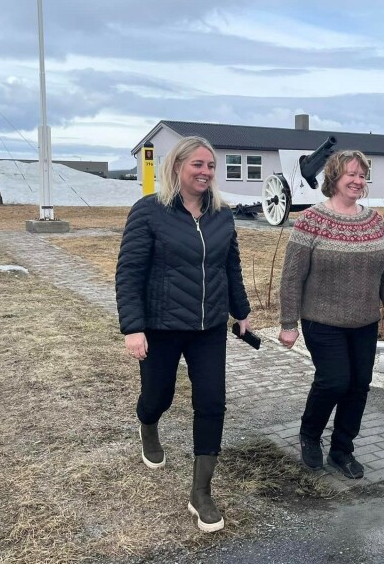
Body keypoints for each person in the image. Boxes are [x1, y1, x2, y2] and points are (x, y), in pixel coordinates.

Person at [115, 136, 251, 532]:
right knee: (159, 395)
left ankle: (201, 493)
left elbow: (231, 267)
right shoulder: (148, 212)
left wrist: (240, 312)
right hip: (161, 325)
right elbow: (129, 273)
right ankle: (148, 423)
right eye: (198, 164)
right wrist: (133, 327)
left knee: (212, 402)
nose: (206, 172)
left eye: (211, 165)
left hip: (208, 329)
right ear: (177, 167)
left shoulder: (222, 215)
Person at [278, 149, 384, 479]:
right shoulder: (311, 221)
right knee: (334, 381)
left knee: (359, 385)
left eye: (362, 175)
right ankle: (309, 434)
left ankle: (342, 450)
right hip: (322, 320)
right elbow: (292, 276)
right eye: (351, 175)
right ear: (334, 177)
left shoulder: (375, 221)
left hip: (364, 322)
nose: (358, 181)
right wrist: (288, 323)